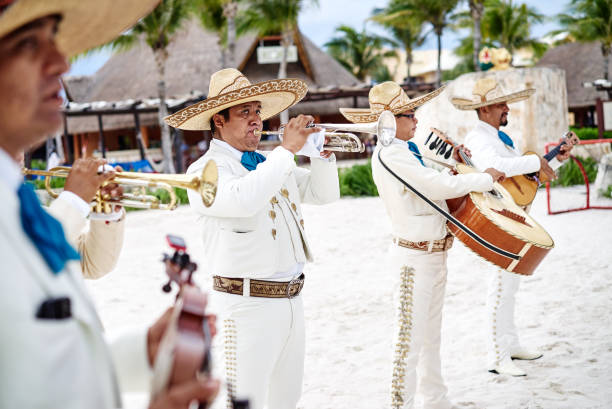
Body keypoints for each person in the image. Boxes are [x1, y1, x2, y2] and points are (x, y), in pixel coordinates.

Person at [0, 1, 219, 408]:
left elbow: (90, 270)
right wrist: (75, 198)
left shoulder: (13, 193)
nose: (62, 63)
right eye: (29, 43)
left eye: (55, 38)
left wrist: (141, 355)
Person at [164, 68, 340, 409]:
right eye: (245, 112)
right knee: (245, 403)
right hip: (244, 307)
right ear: (218, 120)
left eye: (258, 111)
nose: (256, 120)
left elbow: (324, 193)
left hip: (291, 300)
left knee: (286, 401)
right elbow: (245, 200)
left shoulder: (270, 162)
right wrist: (286, 151)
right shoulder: (204, 170)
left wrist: (322, 155)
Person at [340, 81, 505, 409]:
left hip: (431, 254)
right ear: (389, 121)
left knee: (430, 338)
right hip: (413, 259)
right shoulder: (390, 154)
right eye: (408, 114)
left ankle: (436, 402)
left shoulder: (405, 152)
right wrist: (484, 177)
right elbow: (436, 185)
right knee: (409, 343)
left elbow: (438, 183)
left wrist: (460, 165)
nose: (416, 119)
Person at [451, 77, 574, 376]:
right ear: (484, 111)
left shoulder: (501, 138)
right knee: (500, 285)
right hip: (500, 220)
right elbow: (500, 168)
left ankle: (510, 343)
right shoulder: (480, 139)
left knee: (511, 286)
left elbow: (524, 179)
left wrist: (553, 160)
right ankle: (496, 354)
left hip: (515, 215)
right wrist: (533, 160)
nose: (507, 108)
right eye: (500, 104)